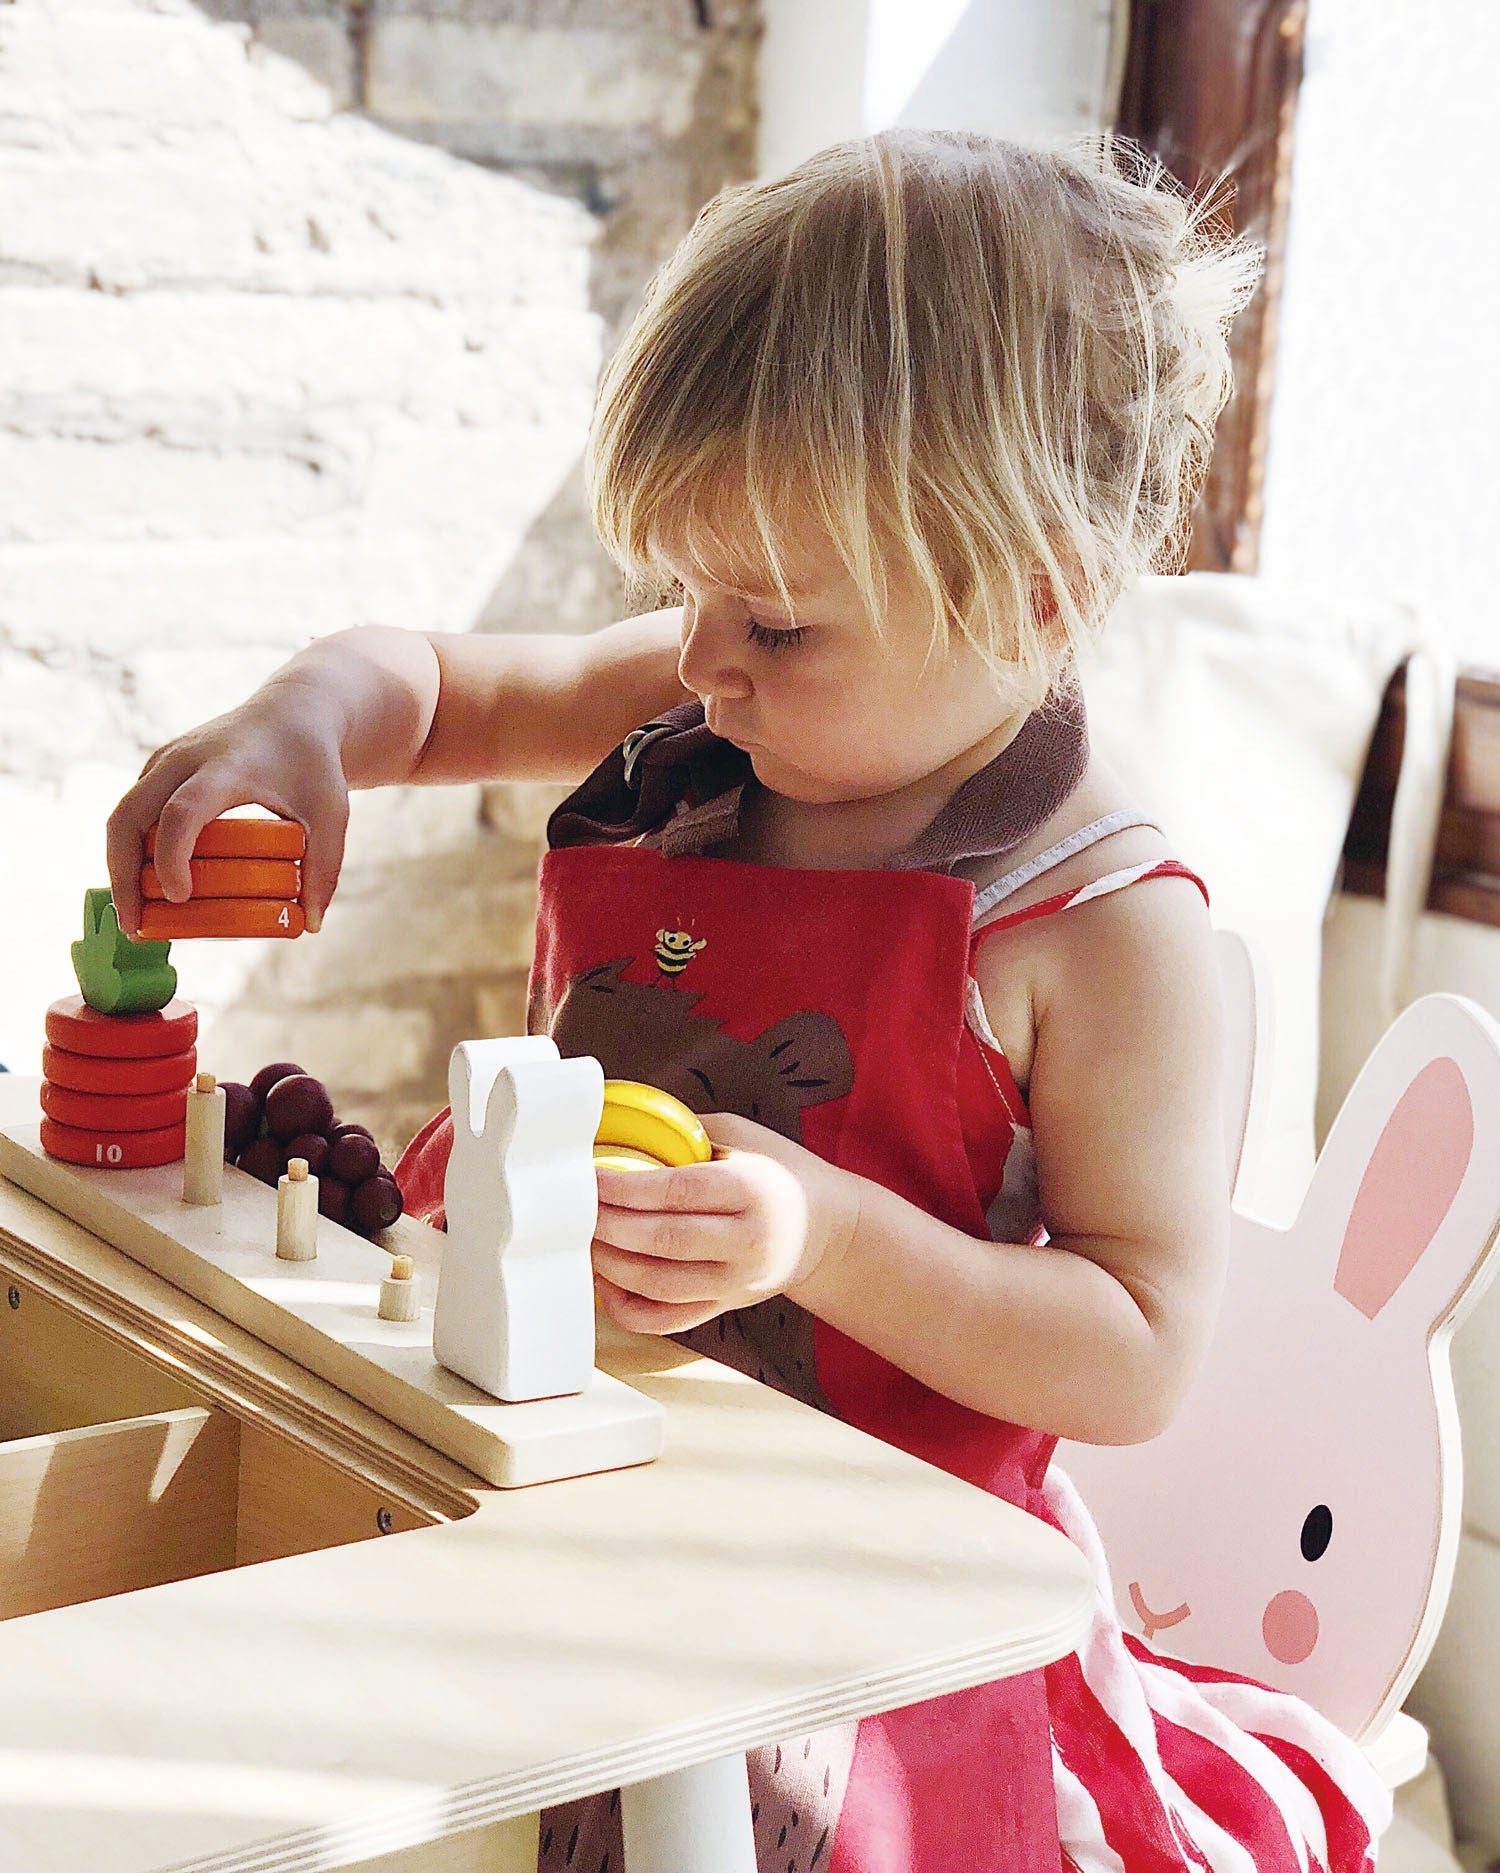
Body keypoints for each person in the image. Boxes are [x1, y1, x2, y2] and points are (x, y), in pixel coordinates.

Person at [108, 130, 1391, 1871]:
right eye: (684, 588)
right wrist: (304, 724)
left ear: (1037, 589)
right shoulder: (716, 704)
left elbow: (1141, 1348)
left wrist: (824, 1234)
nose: (700, 656)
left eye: (774, 623)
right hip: (572, 1481)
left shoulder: (1103, 935)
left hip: (856, 1624)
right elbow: (434, 689)